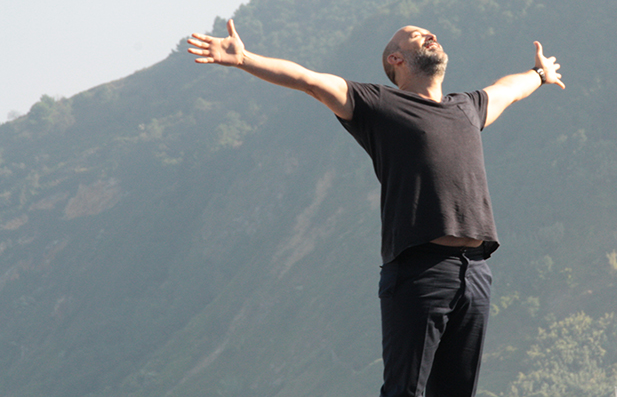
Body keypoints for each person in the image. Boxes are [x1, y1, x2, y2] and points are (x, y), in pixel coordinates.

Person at [187, 20, 564, 397]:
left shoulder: (467, 107)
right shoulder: (379, 104)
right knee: (404, 391)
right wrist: (244, 59)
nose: (429, 35)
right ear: (396, 59)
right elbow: (308, 80)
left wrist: (539, 74)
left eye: (430, 32)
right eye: (415, 34)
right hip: (421, 270)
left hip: (476, 271)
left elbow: (508, 90)